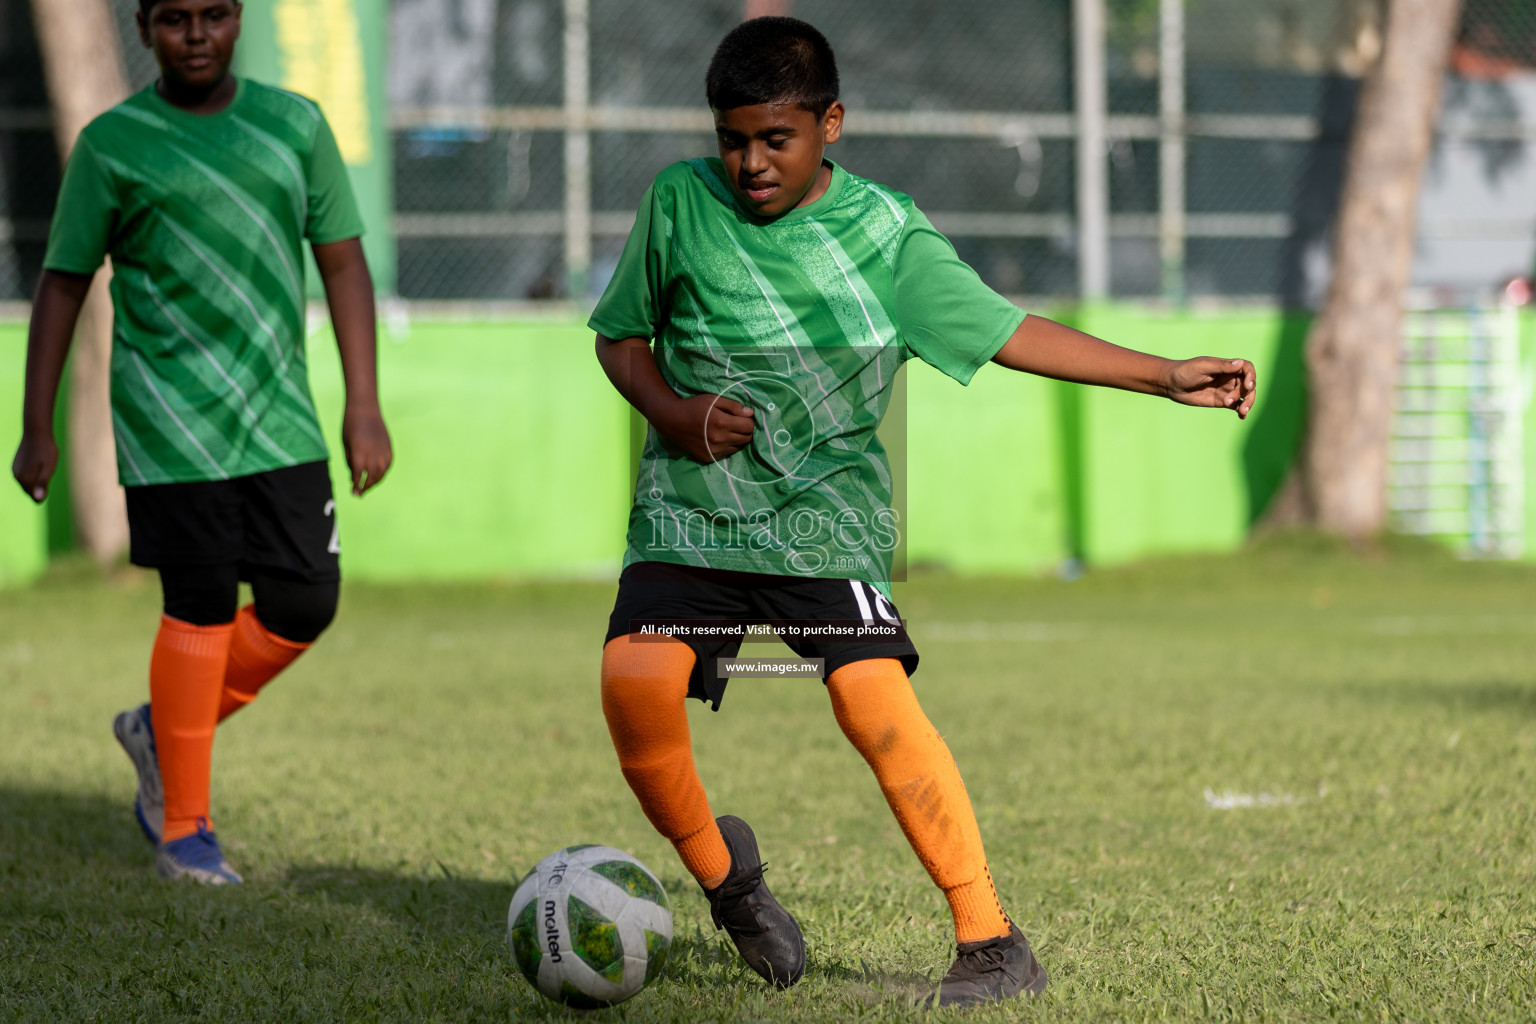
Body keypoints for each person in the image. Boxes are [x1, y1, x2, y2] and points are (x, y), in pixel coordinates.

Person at [590, 16, 1256, 1007]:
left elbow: (1007, 329)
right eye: (734, 139)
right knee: (633, 681)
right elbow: (620, 337)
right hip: (695, 515)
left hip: (826, 522)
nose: (751, 161)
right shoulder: (680, 204)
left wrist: (1162, 376)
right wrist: (675, 413)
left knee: (872, 699)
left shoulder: (887, 237)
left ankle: (990, 938)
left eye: (777, 138)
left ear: (832, 125)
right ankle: (728, 881)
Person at [9, 0, 391, 885]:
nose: (196, 34)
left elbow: (342, 260)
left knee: (305, 603)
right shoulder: (112, 144)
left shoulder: (293, 126)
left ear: (239, 21)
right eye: (174, 17)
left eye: (214, 14)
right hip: (169, 426)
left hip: (281, 418)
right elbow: (63, 285)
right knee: (200, 608)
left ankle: (158, 730)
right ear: (142, 30)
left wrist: (363, 403)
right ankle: (186, 830)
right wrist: (37, 427)